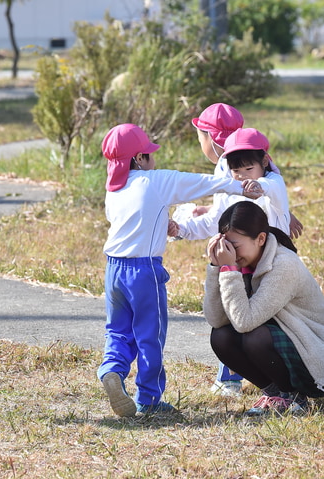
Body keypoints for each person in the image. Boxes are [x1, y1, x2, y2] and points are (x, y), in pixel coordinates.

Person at [98, 123, 263, 417]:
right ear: (138, 159)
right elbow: (201, 183)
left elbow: (137, 221)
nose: (153, 158)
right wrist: (241, 187)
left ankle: (112, 369)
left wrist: (165, 225)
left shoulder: (114, 189)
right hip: (143, 271)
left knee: (119, 331)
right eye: (148, 153)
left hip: (113, 270)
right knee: (150, 334)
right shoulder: (155, 181)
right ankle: (148, 399)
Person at [174, 126, 295, 397]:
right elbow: (216, 219)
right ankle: (258, 384)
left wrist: (256, 186)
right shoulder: (231, 186)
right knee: (229, 322)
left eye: (248, 170)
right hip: (244, 269)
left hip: (272, 269)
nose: (241, 178)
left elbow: (270, 189)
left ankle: (292, 386)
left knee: (263, 328)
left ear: (264, 161)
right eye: (236, 172)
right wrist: (181, 229)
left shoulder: (272, 182)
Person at [203, 201, 324, 416]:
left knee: (254, 336)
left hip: (320, 358)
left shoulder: (283, 264)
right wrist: (216, 268)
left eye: (235, 245)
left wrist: (230, 269)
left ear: (260, 239)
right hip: (287, 339)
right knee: (221, 337)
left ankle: (294, 396)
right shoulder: (241, 259)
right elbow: (216, 320)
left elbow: (244, 322)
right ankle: (276, 394)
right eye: (225, 245)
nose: (229, 252)